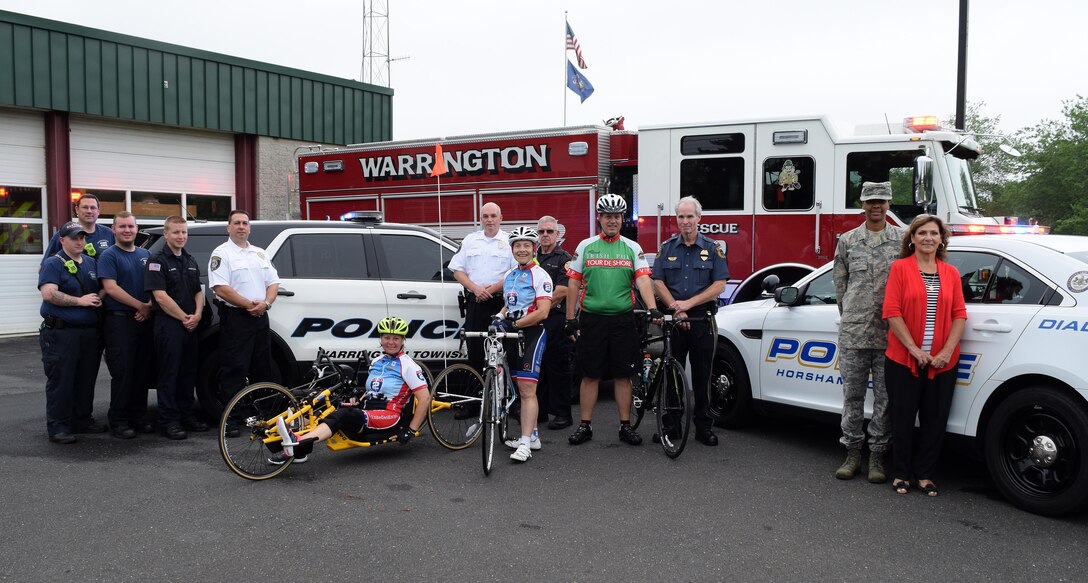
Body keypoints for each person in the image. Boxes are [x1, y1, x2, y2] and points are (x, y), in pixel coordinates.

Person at [565, 193, 663, 446]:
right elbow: (573, 283)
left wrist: (652, 308)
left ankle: (625, 426)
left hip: (622, 320)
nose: (612, 221)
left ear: (622, 219)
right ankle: (585, 426)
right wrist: (570, 318)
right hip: (591, 319)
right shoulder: (585, 246)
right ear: (600, 218)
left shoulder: (632, 247)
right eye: (608, 216)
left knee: (623, 375)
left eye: (617, 217)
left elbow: (642, 280)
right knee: (590, 375)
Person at [883, 214, 967, 497]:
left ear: (941, 239)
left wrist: (945, 352)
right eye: (922, 233)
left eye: (934, 233)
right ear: (912, 238)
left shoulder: (951, 273)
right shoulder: (900, 268)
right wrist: (914, 349)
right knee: (903, 418)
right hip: (903, 358)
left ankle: (925, 474)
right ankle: (902, 473)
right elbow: (892, 312)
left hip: (942, 362)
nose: (928, 238)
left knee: (935, 419)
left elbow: (959, 315)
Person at [273, 317, 432, 464]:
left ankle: (297, 442)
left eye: (396, 338)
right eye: (386, 337)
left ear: (403, 340)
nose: (391, 342)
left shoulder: (409, 365)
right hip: (368, 409)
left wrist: (411, 430)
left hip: (388, 415)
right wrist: (358, 398)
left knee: (343, 415)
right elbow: (372, 390)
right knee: (329, 405)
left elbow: (424, 399)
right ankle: (293, 445)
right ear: (381, 339)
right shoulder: (377, 361)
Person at [831, 181, 904, 482]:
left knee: (886, 400)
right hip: (854, 334)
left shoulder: (902, 239)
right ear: (862, 204)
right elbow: (840, 287)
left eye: (882, 201)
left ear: (888, 204)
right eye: (871, 201)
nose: (876, 206)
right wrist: (852, 316)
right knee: (852, 397)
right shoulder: (847, 241)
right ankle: (851, 454)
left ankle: (877, 457)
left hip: (891, 334)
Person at [651, 196, 729, 447]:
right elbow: (658, 281)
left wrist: (688, 305)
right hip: (676, 319)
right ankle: (672, 425)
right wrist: (676, 309)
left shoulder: (713, 248)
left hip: (702, 319)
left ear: (699, 218)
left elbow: (720, 284)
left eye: (689, 216)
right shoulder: (667, 248)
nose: (685, 221)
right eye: (681, 217)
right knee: (672, 375)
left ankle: (703, 427)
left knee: (703, 376)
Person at [209, 210, 281, 436]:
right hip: (237, 318)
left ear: (250, 228)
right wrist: (249, 305)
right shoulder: (221, 254)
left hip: (260, 316)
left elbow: (273, 282)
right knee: (234, 369)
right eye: (236, 223)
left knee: (263, 368)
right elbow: (220, 288)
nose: (241, 226)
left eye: (245, 223)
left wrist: (265, 304)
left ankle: (262, 417)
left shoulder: (259, 253)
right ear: (228, 227)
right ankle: (229, 420)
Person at [37, 221, 106, 444]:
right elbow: (49, 294)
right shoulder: (53, 263)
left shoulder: (90, 262)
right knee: (62, 379)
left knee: (86, 379)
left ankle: (82, 419)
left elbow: (102, 287)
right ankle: (58, 426)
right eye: (74, 237)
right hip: (61, 333)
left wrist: (99, 297)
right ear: (62, 240)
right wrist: (80, 301)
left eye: (82, 237)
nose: (79, 241)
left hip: (88, 332)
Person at [494, 226, 553, 462]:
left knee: (528, 390)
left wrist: (515, 325)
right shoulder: (510, 275)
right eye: (517, 245)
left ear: (534, 249)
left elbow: (543, 312)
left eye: (526, 245)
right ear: (512, 249)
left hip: (531, 334)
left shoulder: (540, 275)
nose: (521, 249)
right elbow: (509, 305)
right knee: (519, 387)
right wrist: (499, 318)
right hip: (513, 334)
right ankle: (534, 435)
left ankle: (525, 444)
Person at [146, 215, 207, 440]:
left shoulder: (190, 261)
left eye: (183, 232)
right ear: (166, 234)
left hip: (190, 325)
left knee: (188, 373)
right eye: (176, 232)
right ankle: (169, 421)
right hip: (169, 326)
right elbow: (160, 297)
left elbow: (198, 292)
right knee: (169, 374)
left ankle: (186, 415)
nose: (181, 236)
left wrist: (197, 316)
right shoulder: (157, 260)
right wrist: (184, 317)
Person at [98, 211, 155, 438]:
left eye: (130, 226)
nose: (127, 230)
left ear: (136, 228)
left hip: (144, 321)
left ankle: (138, 418)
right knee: (123, 373)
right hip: (119, 322)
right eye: (122, 226)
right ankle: (119, 420)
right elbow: (111, 288)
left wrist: (149, 305)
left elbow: (155, 284)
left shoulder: (145, 254)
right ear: (113, 229)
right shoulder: (109, 256)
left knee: (142, 372)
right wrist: (139, 306)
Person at [448, 202, 518, 374]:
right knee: (475, 352)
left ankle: (503, 396)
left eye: (493, 216)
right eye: (485, 216)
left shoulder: (511, 242)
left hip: (501, 305)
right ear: (481, 219)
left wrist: (490, 290)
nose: (489, 220)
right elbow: (457, 270)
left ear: (501, 218)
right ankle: (477, 396)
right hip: (476, 304)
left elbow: (515, 273)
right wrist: (476, 289)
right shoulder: (470, 240)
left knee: (504, 352)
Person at [534, 215, 575, 430]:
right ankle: (539, 412)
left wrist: (536, 310)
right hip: (535, 321)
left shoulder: (564, 259)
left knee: (558, 368)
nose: (545, 235)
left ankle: (562, 414)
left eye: (550, 231)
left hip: (555, 320)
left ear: (557, 234)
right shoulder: (531, 257)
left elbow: (562, 291)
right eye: (541, 232)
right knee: (535, 368)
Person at [44, 193, 115, 260]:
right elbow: (46, 265)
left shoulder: (108, 233)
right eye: (85, 207)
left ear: (98, 211)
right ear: (77, 210)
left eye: (93, 208)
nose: (89, 211)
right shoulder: (64, 233)